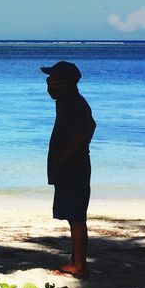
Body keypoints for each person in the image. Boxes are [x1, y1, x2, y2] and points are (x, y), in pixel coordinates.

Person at [41, 61, 95, 277]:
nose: (48, 83)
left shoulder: (73, 102)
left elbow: (87, 128)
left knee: (76, 217)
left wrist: (64, 154)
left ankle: (79, 265)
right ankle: (76, 260)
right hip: (69, 166)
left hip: (74, 166)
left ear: (65, 82)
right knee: (74, 215)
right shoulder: (66, 101)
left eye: (52, 79)